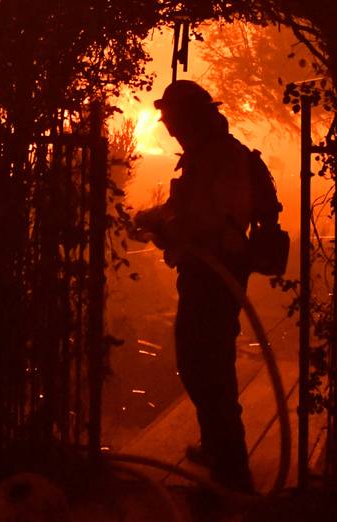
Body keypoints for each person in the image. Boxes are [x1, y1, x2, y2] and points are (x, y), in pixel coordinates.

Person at [133, 80, 255, 493]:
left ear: (189, 118)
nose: (168, 129)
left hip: (214, 275)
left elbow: (207, 220)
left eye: (171, 120)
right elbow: (186, 208)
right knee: (202, 360)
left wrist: (166, 227)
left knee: (206, 364)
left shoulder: (220, 158)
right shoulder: (208, 154)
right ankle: (218, 448)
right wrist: (151, 217)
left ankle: (232, 469)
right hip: (206, 272)